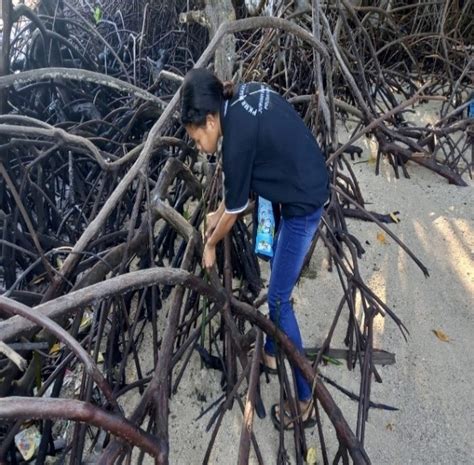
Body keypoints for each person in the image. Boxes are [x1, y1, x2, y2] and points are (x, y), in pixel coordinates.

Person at [180, 68, 329, 429]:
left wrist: (212, 243)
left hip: (303, 206)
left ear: (211, 121)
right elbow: (233, 196)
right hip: (301, 183)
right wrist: (216, 214)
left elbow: (233, 209)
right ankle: (274, 353)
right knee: (277, 277)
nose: (199, 146)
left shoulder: (235, 142)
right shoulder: (240, 99)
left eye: (197, 137)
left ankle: (306, 399)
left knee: (278, 300)